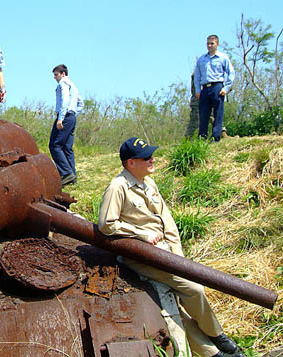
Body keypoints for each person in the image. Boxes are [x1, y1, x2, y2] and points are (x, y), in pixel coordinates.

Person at [97, 137, 245, 357]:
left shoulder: (150, 184)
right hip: (142, 257)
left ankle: (212, 353)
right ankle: (217, 335)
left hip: (166, 253)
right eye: (146, 157)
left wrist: (179, 257)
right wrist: (141, 234)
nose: (152, 159)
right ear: (131, 163)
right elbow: (106, 224)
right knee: (194, 288)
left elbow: (168, 221)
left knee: (177, 306)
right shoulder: (118, 187)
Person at [194, 35, 235, 142]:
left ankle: (216, 138)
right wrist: (198, 90)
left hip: (217, 87)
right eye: (208, 43)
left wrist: (226, 88)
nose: (209, 46)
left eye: (212, 43)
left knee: (218, 113)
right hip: (205, 88)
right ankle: (202, 138)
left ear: (217, 44)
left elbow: (231, 73)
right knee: (203, 114)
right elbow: (197, 76)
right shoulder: (201, 59)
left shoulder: (223, 57)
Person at [49, 64, 84, 187]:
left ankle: (66, 173)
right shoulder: (73, 86)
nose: (55, 77)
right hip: (71, 117)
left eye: (56, 74)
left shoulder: (63, 83)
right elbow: (81, 104)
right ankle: (72, 177)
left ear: (63, 74)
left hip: (64, 117)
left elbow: (64, 100)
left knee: (55, 145)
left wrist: (61, 118)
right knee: (67, 148)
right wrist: (73, 114)